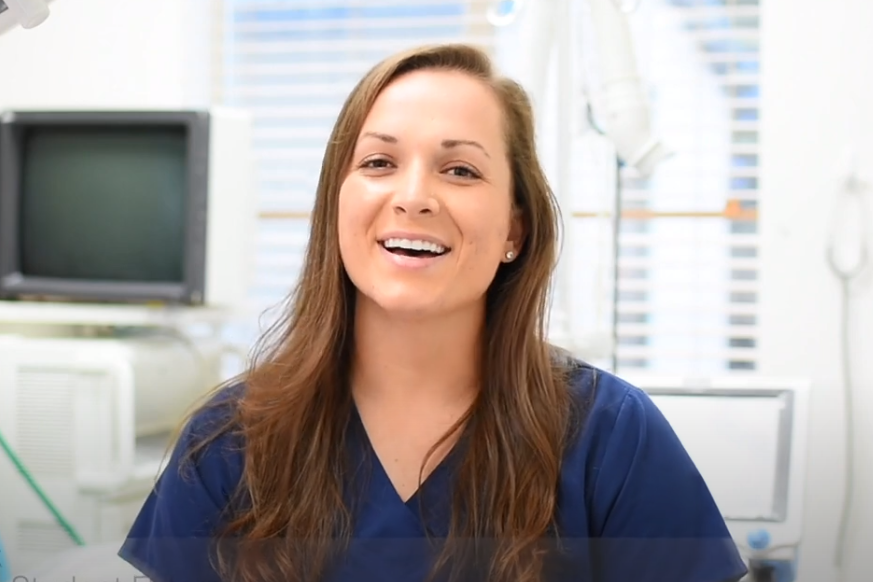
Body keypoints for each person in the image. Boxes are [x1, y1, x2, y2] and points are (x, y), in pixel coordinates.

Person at [118, 43, 748, 582]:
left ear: (515, 230)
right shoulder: (230, 441)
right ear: (337, 206)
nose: (414, 196)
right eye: (378, 163)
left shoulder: (611, 436)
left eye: (460, 170)